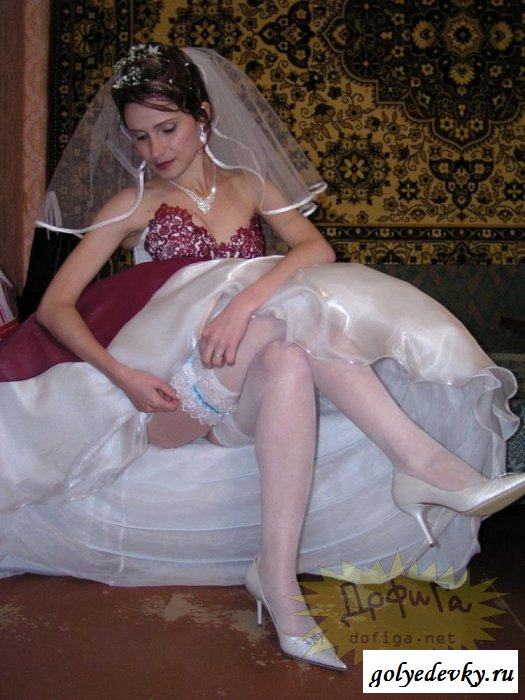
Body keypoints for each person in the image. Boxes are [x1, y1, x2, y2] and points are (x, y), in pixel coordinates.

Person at [1, 44, 524, 670]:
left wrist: (244, 304)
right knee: (292, 320)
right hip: (171, 399)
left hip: (245, 394)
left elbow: (315, 249)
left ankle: (276, 581)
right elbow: (56, 307)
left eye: (167, 128)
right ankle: (420, 463)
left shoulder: (248, 185)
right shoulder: (132, 205)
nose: (155, 149)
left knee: (291, 357)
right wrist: (124, 375)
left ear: (203, 115)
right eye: (140, 137)